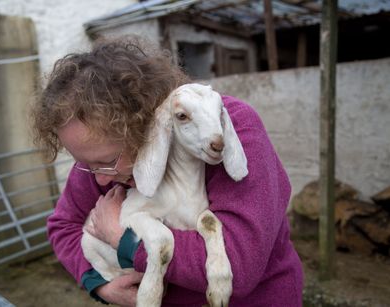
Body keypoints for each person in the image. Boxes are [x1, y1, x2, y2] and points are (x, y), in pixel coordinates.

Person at [31, 36, 303, 307]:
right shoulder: (99, 158)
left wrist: (124, 239)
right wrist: (99, 285)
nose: (99, 179)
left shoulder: (226, 130)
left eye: (108, 160)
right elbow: (63, 225)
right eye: (85, 164)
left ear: (144, 129)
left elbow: (240, 266)